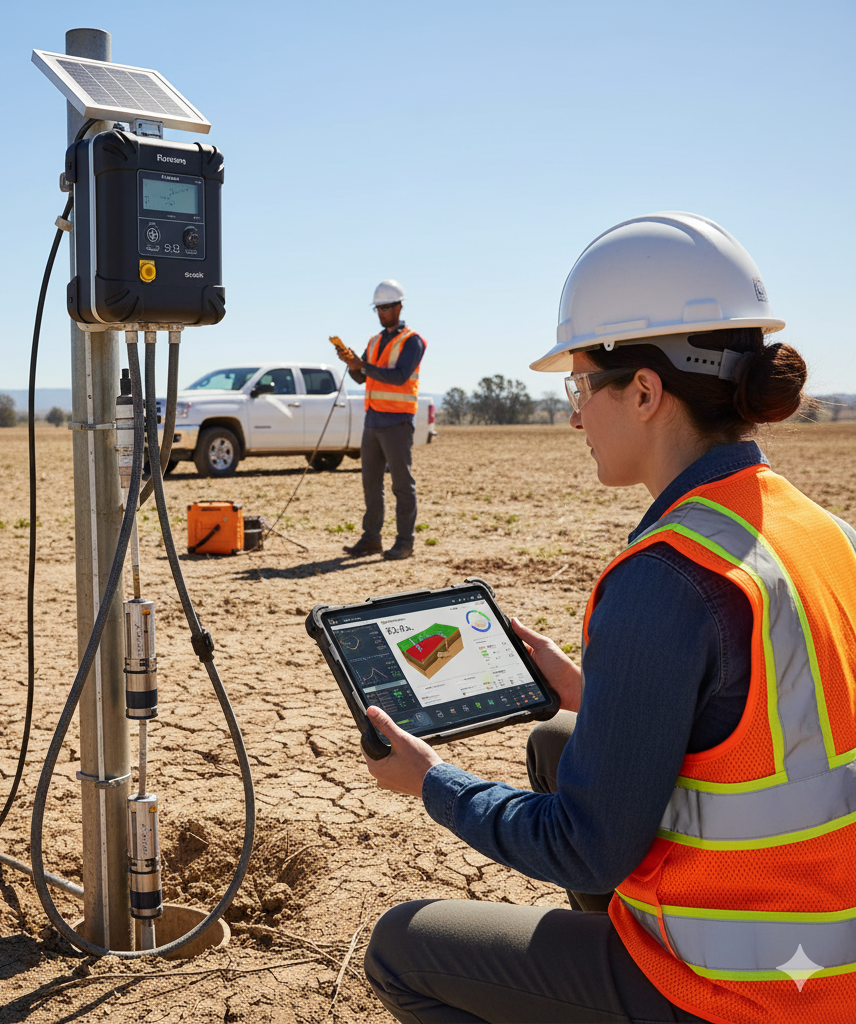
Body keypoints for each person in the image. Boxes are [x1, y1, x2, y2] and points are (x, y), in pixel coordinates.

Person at [359, 213, 856, 1023]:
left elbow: (582, 846)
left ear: (647, 392)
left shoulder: (669, 576)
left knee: (400, 948)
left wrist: (431, 781)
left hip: (743, 991)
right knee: (558, 741)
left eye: (582, 386)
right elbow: (776, 720)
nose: (575, 415)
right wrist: (596, 694)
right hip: (830, 952)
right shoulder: (822, 530)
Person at [337, 280, 426, 561]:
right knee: (371, 483)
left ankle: (405, 543)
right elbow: (362, 377)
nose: (381, 313)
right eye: (378, 308)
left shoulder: (412, 341)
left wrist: (363, 366)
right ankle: (371, 539)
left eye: (386, 308)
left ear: (399, 307)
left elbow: (399, 377)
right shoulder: (374, 341)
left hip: (397, 421)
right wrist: (352, 364)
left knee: (401, 485)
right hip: (373, 420)